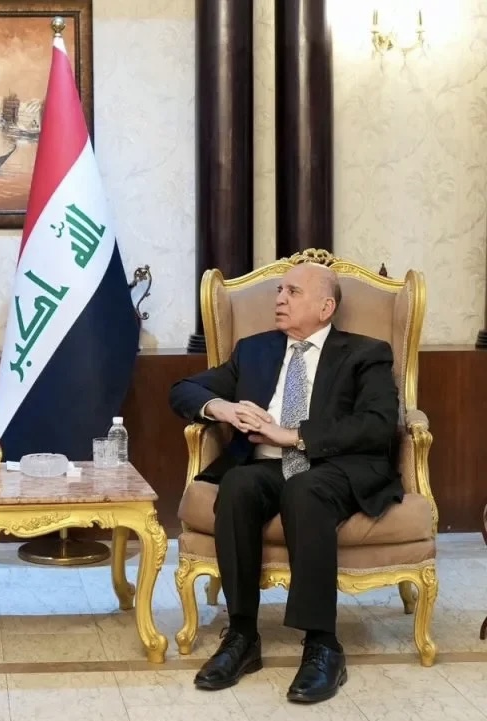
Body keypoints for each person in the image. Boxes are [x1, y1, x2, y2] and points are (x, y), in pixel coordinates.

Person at [168, 262, 401, 704]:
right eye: (279, 291)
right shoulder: (254, 350)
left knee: (305, 490)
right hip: (267, 467)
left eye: (293, 292)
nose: (279, 299)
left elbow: (377, 425)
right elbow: (183, 389)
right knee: (237, 486)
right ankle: (241, 637)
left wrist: (293, 436)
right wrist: (222, 408)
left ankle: (322, 644)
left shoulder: (365, 353)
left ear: (325, 307)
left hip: (334, 468)